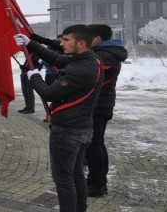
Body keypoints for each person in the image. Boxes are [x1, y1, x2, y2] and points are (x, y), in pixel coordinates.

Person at [15, 25, 102, 212]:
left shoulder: (80, 70)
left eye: (66, 40)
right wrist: (31, 43)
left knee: (63, 178)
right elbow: (57, 59)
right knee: (76, 173)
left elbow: (49, 93)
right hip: (82, 128)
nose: (61, 43)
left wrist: (34, 76)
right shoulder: (87, 59)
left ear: (81, 43)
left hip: (68, 131)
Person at [85, 24, 128, 198]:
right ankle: (99, 183)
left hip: (98, 105)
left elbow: (85, 74)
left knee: (94, 145)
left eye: (87, 37)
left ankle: (96, 184)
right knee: (97, 144)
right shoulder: (109, 52)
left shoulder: (103, 56)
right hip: (102, 104)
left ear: (97, 39)